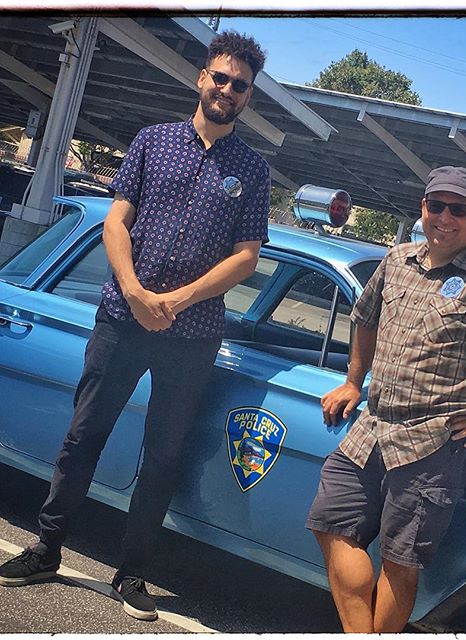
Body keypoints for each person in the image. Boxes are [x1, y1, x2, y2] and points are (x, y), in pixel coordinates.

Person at [0, 30, 270, 621]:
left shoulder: (251, 169)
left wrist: (175, 299)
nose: (227, 90)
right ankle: (46, 547)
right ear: (203, 77)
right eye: (220, 78)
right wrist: (134, 290)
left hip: (192, 334)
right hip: (122, 317)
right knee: (83, 435)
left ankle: (133, 572)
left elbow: (247, 255)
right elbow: (117, 221)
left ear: (249, 97)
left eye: (240, 85)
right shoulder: (153, 142)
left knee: (163, 455)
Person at [306, 166, 466, 633]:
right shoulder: (398, 260)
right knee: (331, 522)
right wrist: (353, 381)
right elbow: (364, 318)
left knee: (399, 560)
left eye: (458, 208)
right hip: (374, 425)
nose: (445, 217)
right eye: (436, 205)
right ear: (422, 209)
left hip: (437, 442)